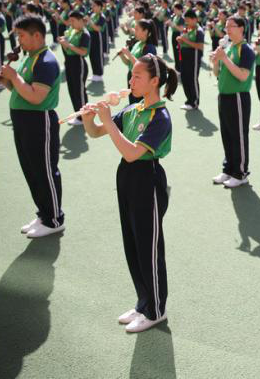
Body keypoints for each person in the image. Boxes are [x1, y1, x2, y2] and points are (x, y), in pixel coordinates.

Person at [80, 54, 177, 333]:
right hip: (127, 177)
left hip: (147, 179)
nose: (130, 80)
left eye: (137, 76)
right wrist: (89, 119)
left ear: (154, 81)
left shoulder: (160, 116)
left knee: (149, 247)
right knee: (132, 244)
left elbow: (133, 153)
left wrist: (108, 121)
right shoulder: (133, 110)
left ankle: (156, 309)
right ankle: (143, 302)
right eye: (131, 75)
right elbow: (97, 132)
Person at [0, 14, 65, 238]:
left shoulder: (46, 61)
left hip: (39, 121)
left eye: (22, 36)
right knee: (32, 170)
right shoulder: (31, 57)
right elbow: (22, 91)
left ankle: (55, 219)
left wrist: (14, 76)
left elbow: (36, 97)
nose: (19, 41)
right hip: (24, 121)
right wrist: (8, 81)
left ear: (37, 35)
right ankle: (44, 214)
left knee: (44, 170)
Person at [211, 16, 256, 188]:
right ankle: (228, 169)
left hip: (238, 97)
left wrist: (224, 59)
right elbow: (218, 74)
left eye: (231, 26)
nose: (227, 29)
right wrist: (216, 61)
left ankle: (241, 172)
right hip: (224, 96)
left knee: (238, 135)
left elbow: (243, 75)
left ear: (242, 28)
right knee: (227, 134)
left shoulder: (246, 50)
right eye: (226, 26)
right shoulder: (229, 47)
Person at [59, 10, 90, 125]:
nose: (70, 23)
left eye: (73, 20)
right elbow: (67, 49)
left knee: (79, 91)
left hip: (79, 63)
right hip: (69, 62)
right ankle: (78, 115)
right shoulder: (73, 31)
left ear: (80, 20)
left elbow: (83, 52)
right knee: (72, 89)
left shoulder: (84, 34)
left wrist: (68, 45)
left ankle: (83, 118)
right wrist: (64, 43)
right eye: (70, 20)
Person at [117, 19, 157, 105]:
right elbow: (129, 63)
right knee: (132, 104)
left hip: (141, 81)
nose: (134, 31)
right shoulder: (137, 43)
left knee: (140, 106)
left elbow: (143, 67)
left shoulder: (149, 47)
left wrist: (128, 53)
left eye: (137, 29)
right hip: (132, 77)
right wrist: (122, 55)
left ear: (145, 31)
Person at [176, 9, 204, 110]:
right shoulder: (188, 29)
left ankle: (195, 102)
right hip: (185, 58)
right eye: (185, 20)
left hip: (194, 58)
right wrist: (181, 41)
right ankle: (189, 101)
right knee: (185, 78)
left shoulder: (199, 31)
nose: (186, 22)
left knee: (192, 79)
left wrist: (184, 40)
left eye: (187, 20)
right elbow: (186, 41)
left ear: (194, 19)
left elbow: (200, 46)